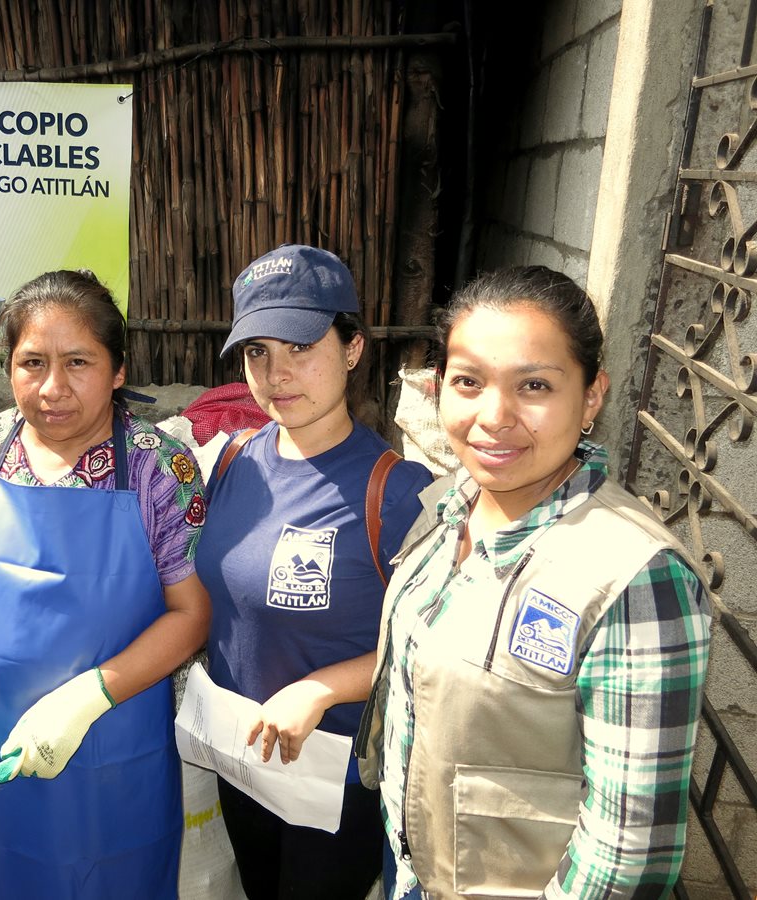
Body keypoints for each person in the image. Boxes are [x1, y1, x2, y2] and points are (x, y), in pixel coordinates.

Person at [358, 266, 713, 899]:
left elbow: (628, 852)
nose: (494, 417)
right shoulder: (446, 505)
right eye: (469, 382)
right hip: (412, 869)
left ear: (592, 396)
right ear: (438, 388)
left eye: (535, 385)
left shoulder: (632, 577)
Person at [0, 269, 212, 899]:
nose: (53, 388)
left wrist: (88, 699)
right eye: (32, 363)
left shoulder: (160, 467)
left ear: (118, 370)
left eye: (79, 362)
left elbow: (190, 614)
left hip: (112, 738)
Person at [194, 244, 434, 899]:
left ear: (353, 347)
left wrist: (323, 687)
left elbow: (434, 645)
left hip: (331, 781)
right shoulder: (235, 458)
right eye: (257, 353)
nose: (277, 374)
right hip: (242, 760)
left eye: (301, 346)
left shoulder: (398, 492)